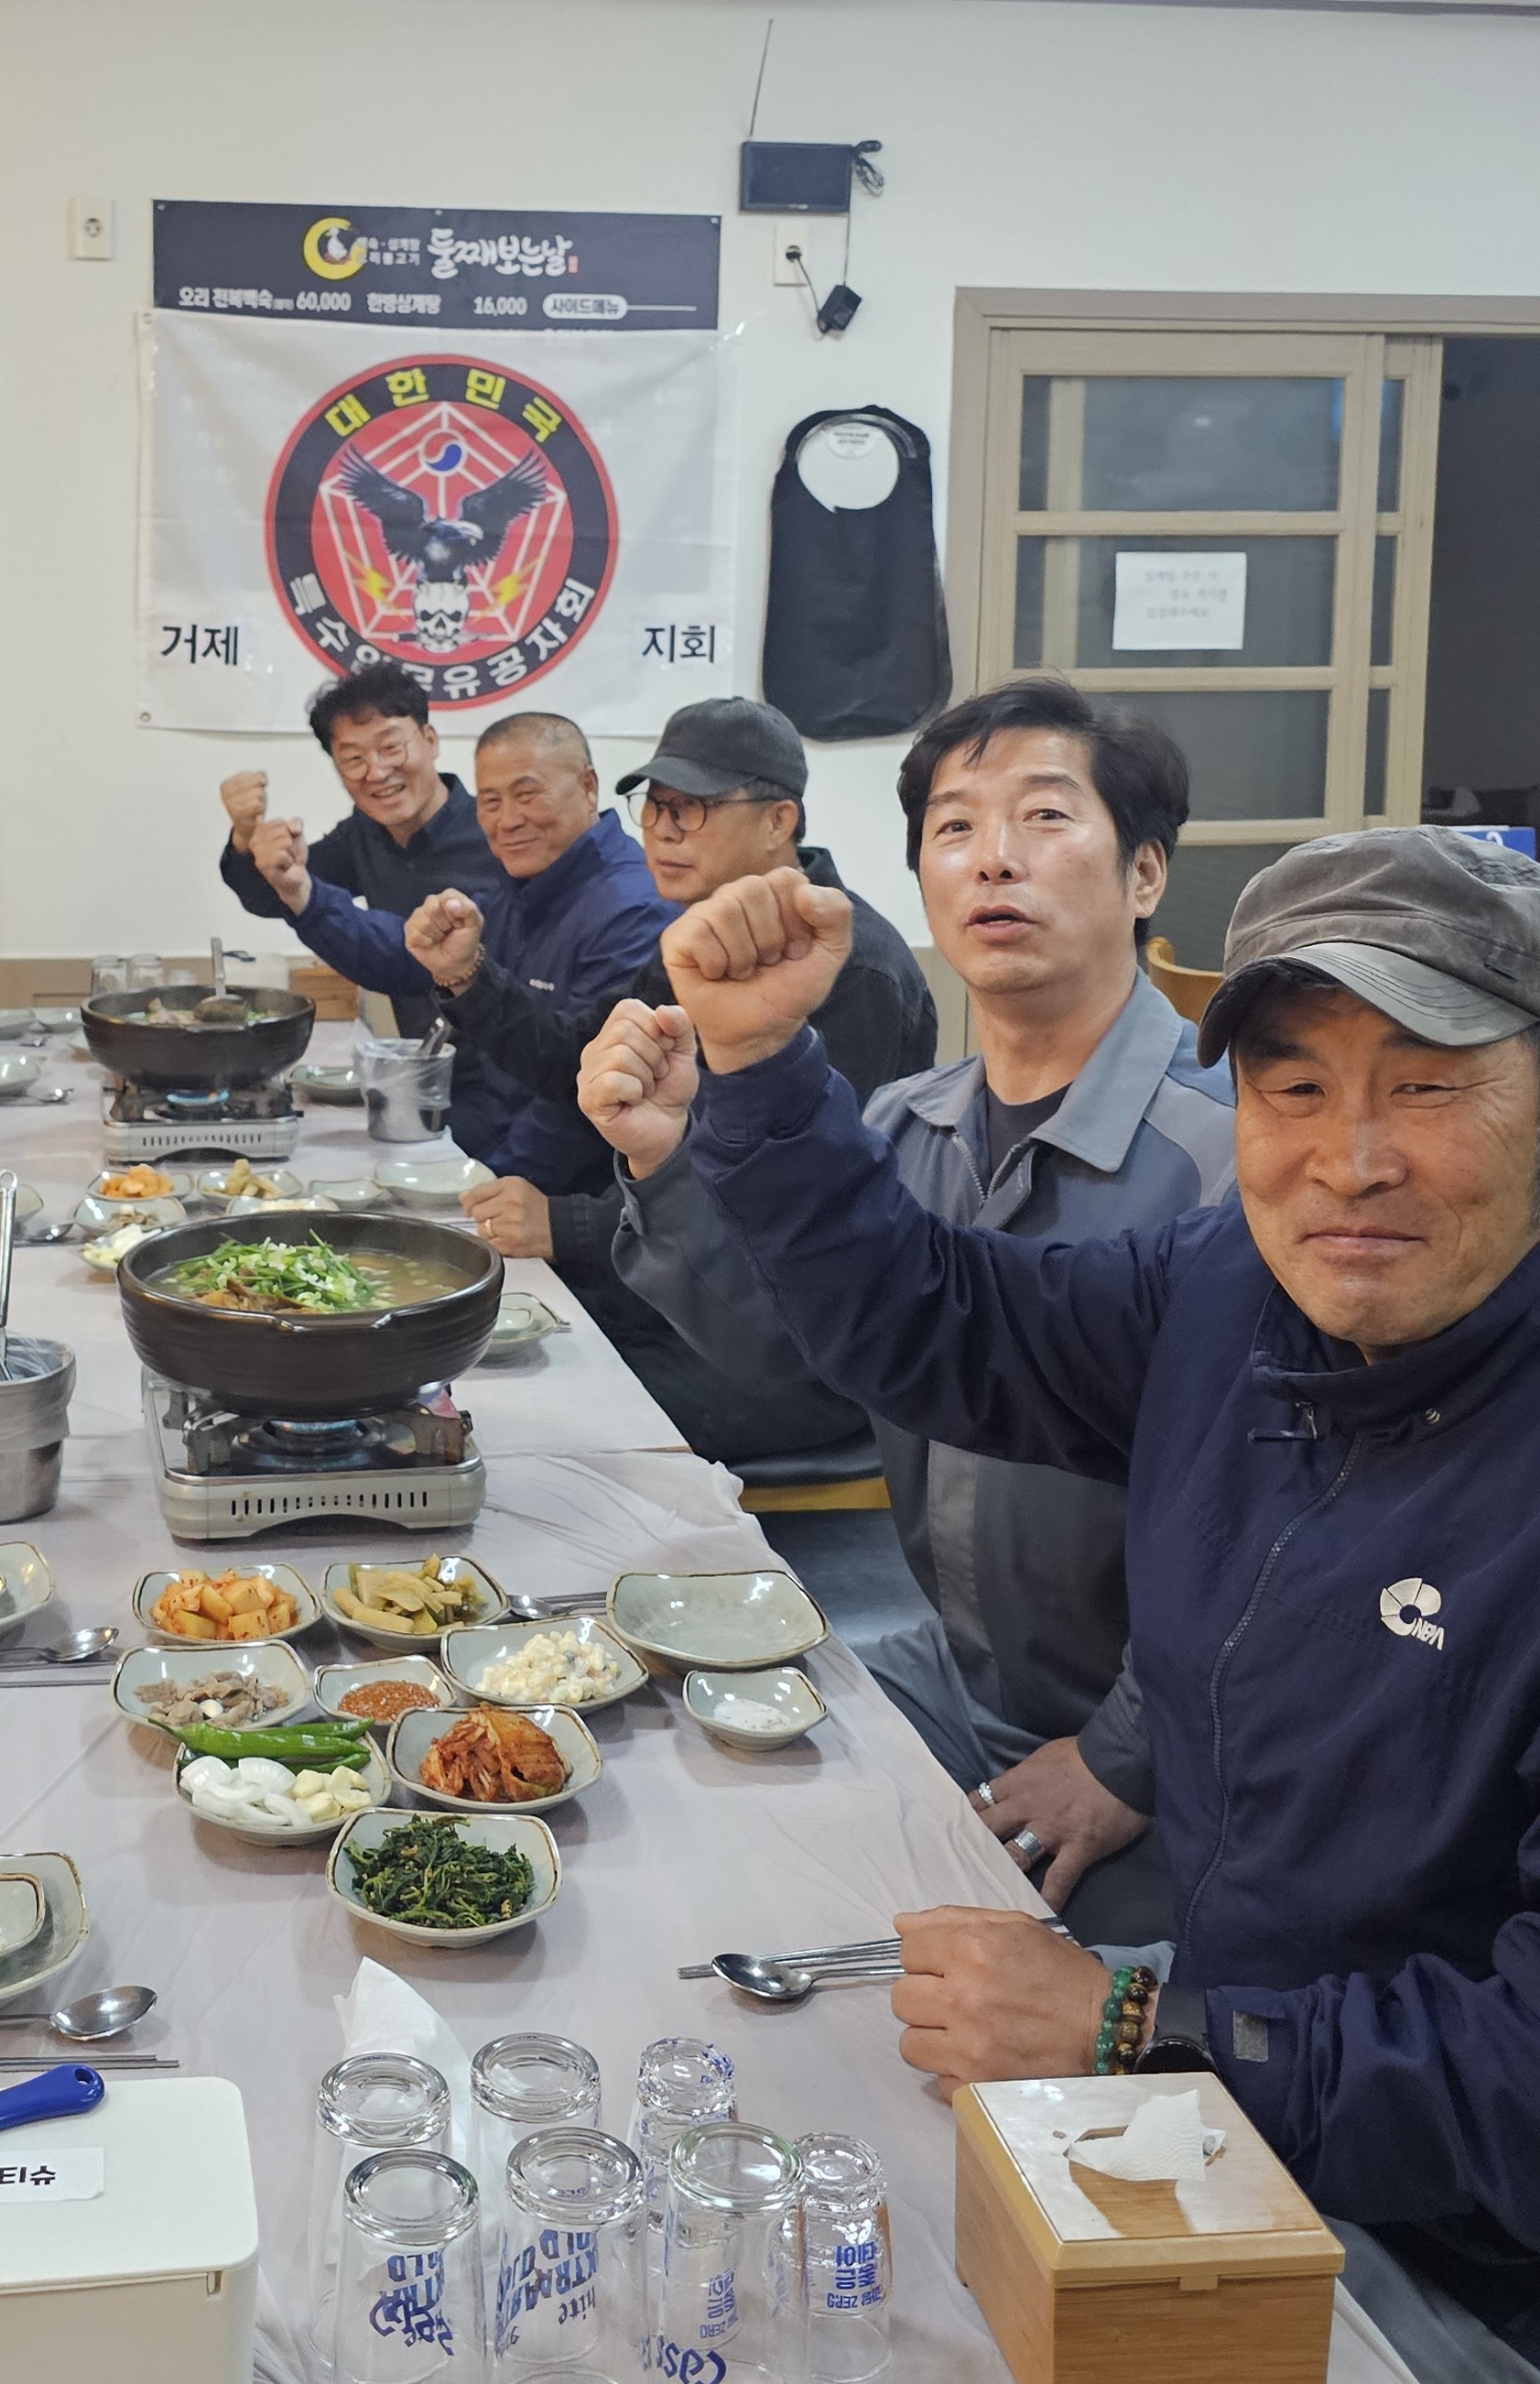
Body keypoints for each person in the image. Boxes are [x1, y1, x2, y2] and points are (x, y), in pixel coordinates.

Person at [624, 826, 1540, 2384]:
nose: (1350, 1159)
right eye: (1293, 1086)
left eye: (1427, 1085)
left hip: (1513, 2265)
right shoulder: (1243, 1284)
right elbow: (943, 1320)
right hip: (1251, 2080)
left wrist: (1146, 2029)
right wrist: (764, 1065)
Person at [580, 680, 1223, 1940]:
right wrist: (668, 1157)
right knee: (676, 1829)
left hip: (1178, 1739)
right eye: (953, 826)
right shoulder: (906, 1123)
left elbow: (1281, 1524)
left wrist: (1124, 1756)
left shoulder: (1228, 1154)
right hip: (963, 1670)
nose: (993, 856)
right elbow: (795, 1364)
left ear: (1145, 872)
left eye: (1046, 815)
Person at [402, 696, 934, 1464]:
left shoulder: (857, 973)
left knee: (532, 1425)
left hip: (796, 1348)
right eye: (654, 807)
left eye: (691, 809)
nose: (661, 831)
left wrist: (570, 1226)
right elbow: (586, 1071)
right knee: (458, 1354)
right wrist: (468, 977)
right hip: (677, 1289)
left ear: (779, 820)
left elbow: (799, 1213)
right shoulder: (698, 935)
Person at [259, 710, 671, 1192]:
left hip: (566, 1193)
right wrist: (302, 895)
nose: (507, 820)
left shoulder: (633, 908)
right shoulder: (521, 885)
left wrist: (486, 1186)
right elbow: (410, 956)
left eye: (527, 794)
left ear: (588, 787)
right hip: (484, 1143)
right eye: (490, 801)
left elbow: (581, 1087)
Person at [219, 661, 508, 1038]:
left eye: (391, 747)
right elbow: (273, 896)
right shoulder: (366, 834)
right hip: (422, 1061)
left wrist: (304, 895)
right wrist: (246, 840)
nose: (377, 772)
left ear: (431, 741)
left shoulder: (497, 837)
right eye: (354, 759)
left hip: (505, 1059)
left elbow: (418, 959)